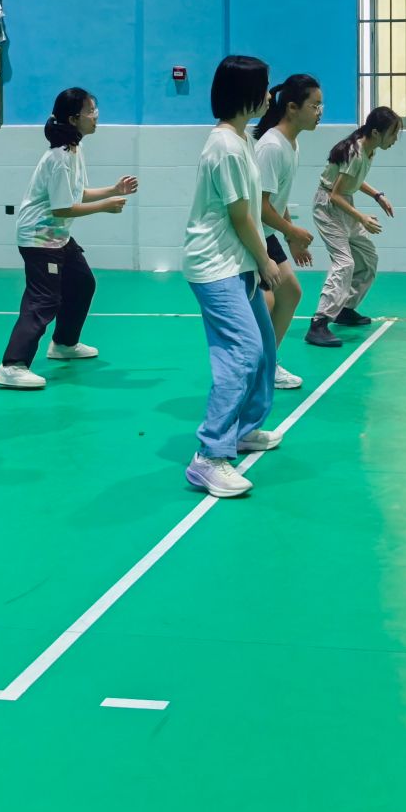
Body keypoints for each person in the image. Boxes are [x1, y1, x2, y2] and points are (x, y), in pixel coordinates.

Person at [182, 55, 284, 498]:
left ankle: (242, 431)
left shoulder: (242, 139)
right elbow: (240, 215)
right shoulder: (224, 145)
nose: (269, 96)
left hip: (237, 262)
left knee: (264, 350)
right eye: (264, 88)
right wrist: (266, 261)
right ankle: (209, 456)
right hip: (215, 267)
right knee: (242, 352)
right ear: (247, 93)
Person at [0, 86, 138, 389]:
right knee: (44, 299)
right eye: (90, 111)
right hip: (39, 237)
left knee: (82, 283)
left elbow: (76, 193)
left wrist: (113, 190)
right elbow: (62, 208)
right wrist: (105, 206)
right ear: (74, 119)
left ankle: (64, 344)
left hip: (58, 235)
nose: (96, 116)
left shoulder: (74, 150)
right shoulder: (59, 157)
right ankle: (12, 365)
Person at [305, 106, 401, 347]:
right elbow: (335, 194)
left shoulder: (369, 150)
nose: (395, 139)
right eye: (393, 133)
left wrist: (377, 195)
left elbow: (354, 180)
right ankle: (318, 323)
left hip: (344, 204)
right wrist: (362, 218)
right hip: (328, 208)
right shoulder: (355, 152)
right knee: (344, 263)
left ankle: (345, 309)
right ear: (376, 133)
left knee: (368, 259)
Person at [251, 73, 323, 391]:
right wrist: (291, 230)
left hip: (267, 232)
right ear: (292, 108)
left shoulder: (291, 143)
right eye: (314, 106)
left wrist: (290, 236)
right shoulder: (271, 147)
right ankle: (254, 367)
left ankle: (267, 362)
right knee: (267, 301)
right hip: (252, 234)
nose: (319, 112)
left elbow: (276, 200)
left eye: (321, 106)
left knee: (290, 292)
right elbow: (260, 206)